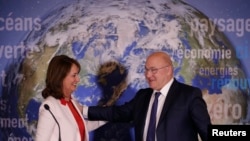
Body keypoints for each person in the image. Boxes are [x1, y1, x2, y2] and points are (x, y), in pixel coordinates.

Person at [83, 51, 211, 141]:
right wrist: (84, 110)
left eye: (153, 70)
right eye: (146, 69)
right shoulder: (142, 96)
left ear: (168, 70)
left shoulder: (189, 95)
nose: (148, 75)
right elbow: (117, 113)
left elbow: (207, 132)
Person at [36, 55, 105, 141]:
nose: (78, 79)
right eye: (74, 75)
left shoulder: (71, 101)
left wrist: (107, 116)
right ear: (61, 78)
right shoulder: (49, 106)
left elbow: (80, 126)